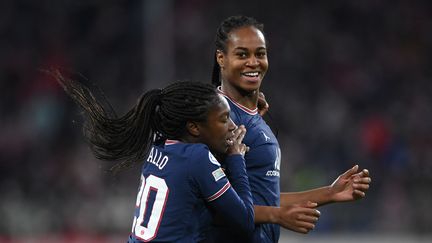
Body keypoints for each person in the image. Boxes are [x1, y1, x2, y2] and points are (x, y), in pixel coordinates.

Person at [203, 15, 372, 242]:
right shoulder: (219, 118)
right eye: (242, 54)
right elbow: (210, 202)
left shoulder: (252, 118)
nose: (253, 62)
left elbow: (262, 199)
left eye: (260, 54)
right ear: (221, 58)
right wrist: (276, 215)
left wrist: (331, 193)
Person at [48, 70, 254, 242]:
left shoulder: (158, 145)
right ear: (193, 127)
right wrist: (237, 158)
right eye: (224, 119)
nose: (233, 127)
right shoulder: (197, 157)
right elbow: (245, 222)